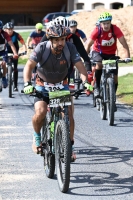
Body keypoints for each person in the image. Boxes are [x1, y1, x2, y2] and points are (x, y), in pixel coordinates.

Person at [22, 24, 93, 160]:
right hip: (42, 85)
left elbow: (80, 67)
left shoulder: (70, 48)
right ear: (50, 40)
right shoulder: (42, 48)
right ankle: (37, 136)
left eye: (62, 39)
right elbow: (29, 66)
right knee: (41, 112)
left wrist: (86, 82)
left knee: (68, 115)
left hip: (61, 85)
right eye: (57, 40)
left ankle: (69, 146)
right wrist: (27, 84)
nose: (60, 43)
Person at [85, 12, 131, 98]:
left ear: (110, 22)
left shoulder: (115, 29)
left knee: (115, 78)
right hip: (98, 52)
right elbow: (88, 45)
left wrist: (127, 57)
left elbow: (124, 43)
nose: (106, 25)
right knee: (99, 64)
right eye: (104, 23)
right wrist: (86, 57)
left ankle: (112, 97)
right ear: (100, 23)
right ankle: (97, 87)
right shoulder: (97, 30)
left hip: (111, 53)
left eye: (108, 23)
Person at [3, 22, 27, 91]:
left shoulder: (16, 35)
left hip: (15, 53)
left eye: (11, 29)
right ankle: (4, 78)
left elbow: (23, 42)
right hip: (6, 52)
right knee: (3, 65)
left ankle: (15, 86)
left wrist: (25, 50)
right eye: (8, 29)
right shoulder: (3, 35)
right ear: (6, 29)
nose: (10, 31)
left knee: (15, 69)